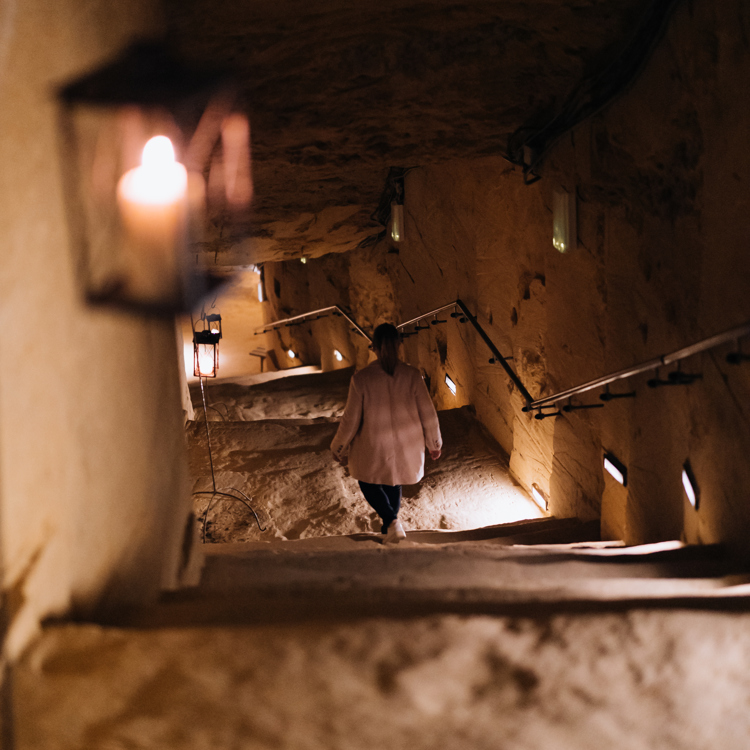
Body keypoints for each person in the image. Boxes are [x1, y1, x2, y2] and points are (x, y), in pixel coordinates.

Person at [331, 323, 442, 543]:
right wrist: (434, 443)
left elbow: (351, 419)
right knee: (394, 480)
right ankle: (390, 527)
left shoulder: (362, 379)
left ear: (373, 347)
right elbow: (428, 413)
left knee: (368, 482)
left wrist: (339, 446)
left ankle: (391, 522)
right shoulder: (412, 375)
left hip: (373, 443)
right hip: (407, 443)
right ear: (399, 345)